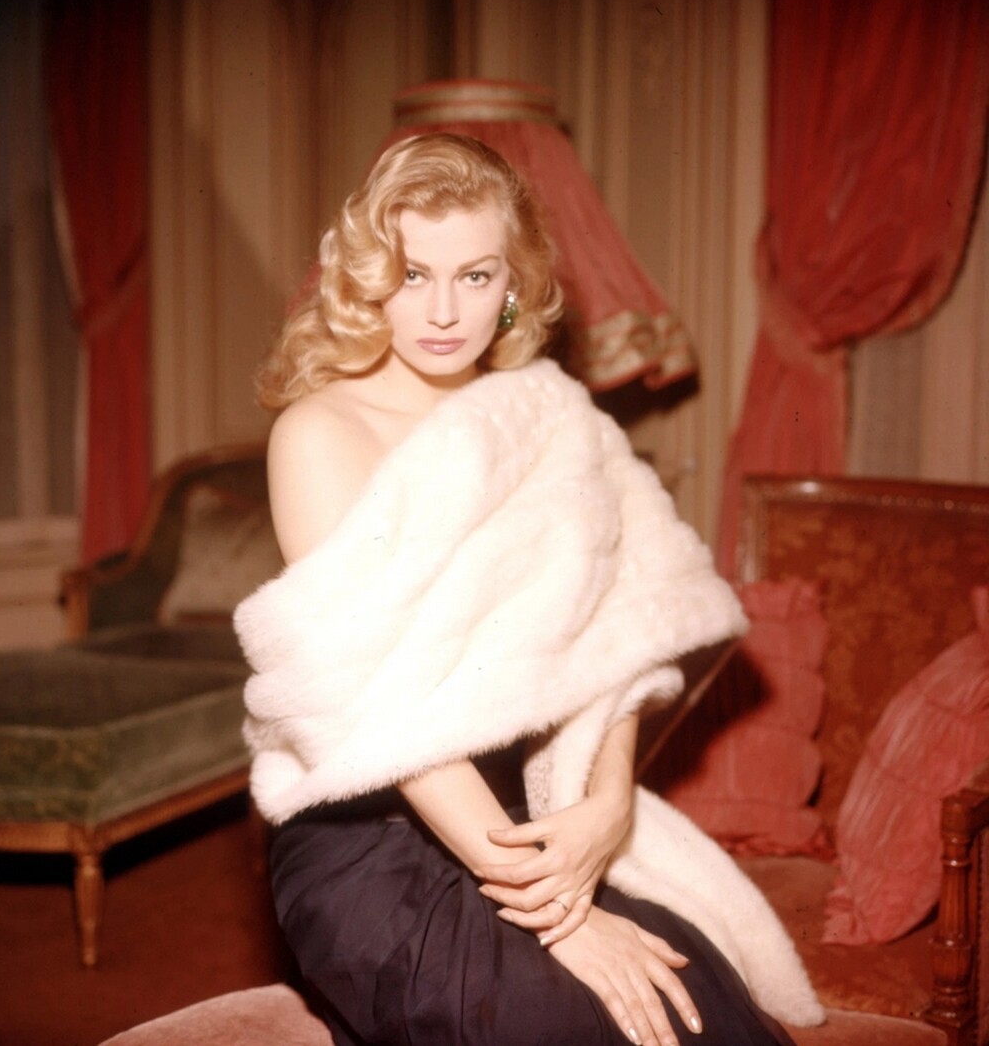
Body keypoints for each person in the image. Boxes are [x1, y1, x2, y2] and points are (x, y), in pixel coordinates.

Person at [234, 133, 822, 1046]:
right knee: (577, 1017)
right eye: (412, 274)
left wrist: (607, 809)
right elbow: (381, 704)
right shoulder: (320, 432)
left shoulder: (544, 416)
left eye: (474, 276)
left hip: (521, 818)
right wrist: (559, 917)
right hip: (376, 834)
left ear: (513, 283)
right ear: (369, 278)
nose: (442, 311)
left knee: (693, 1005)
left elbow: (615, 634)